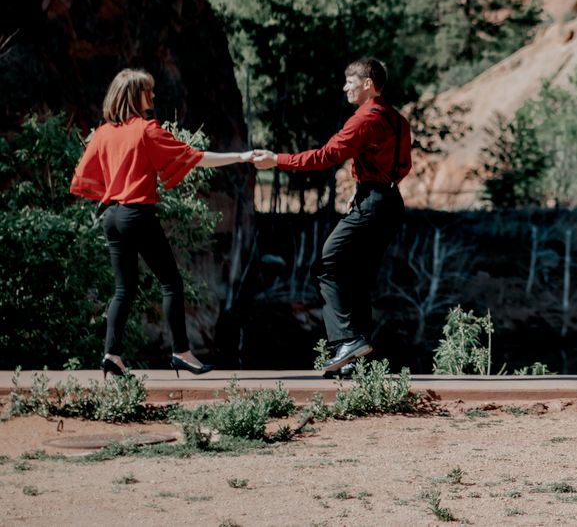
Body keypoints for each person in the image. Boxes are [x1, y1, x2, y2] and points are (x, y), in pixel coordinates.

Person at [70, 68, 255, 378]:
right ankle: (181, 352)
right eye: (148, 91)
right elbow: (193, 157)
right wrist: (240, 156)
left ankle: (111, 355)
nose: (153, 96)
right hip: (137, 214)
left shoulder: (103, 132)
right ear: (134, 96)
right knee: (171, 282)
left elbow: (85, 177)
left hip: (112, 217)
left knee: (123, 289)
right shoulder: (146, 130)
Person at [252, 58, 411, 377]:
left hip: (373, 202)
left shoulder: (364, 118)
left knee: (328, 265)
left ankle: (347, 341)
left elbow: (326, 157)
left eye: (350, 81)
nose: (345, 87)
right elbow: (398, 165)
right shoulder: (397, 119)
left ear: (368, 84)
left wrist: (276, 160)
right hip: (390, 201)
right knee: (359, 280)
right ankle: (355, 362)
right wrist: (368, 185)